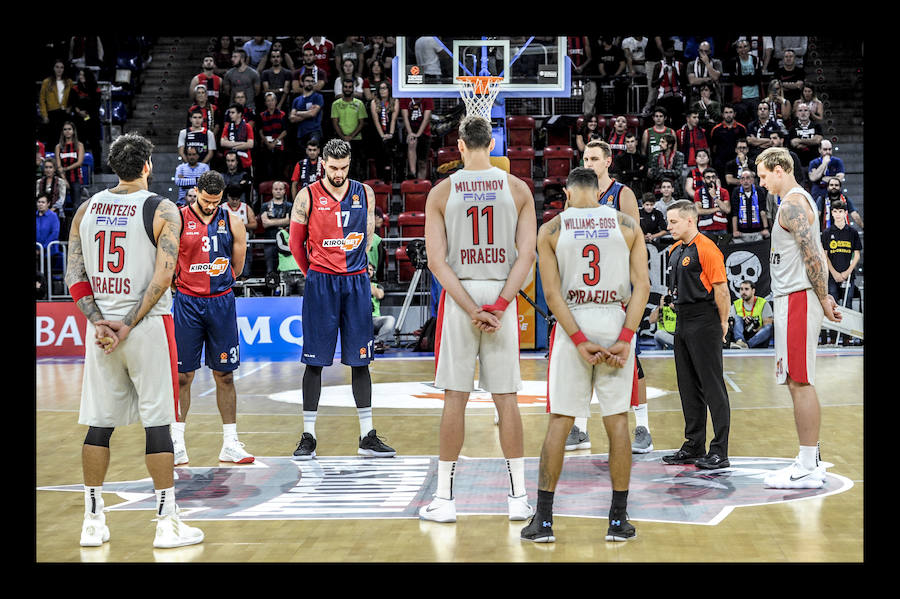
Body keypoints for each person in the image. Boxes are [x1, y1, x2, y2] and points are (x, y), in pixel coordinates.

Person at [67, 132, 204, 548]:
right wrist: (128, 323)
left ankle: (92, 521)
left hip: (101, 332)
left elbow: (74, 275)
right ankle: (167, 523)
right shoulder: (162, 209)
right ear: (148, 165)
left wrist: (100, 321)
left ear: (114, 167)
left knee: (98, 426)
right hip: (146, 328)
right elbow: (164, 277)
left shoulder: (86, 209)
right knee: (159, 424)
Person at [520, 166, 649, 543]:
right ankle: (617, 521)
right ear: (597, 191)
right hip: (614, 317)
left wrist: (577, 339)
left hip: (572, 321)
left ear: (568, 192)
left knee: (560, 422)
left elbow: (552, 294)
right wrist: (626, 337)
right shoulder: (626, 224)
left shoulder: (552, 229)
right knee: (618, 423)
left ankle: (543, 521)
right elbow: (642, 286)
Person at [418, 116, 537, 523]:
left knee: (455, 398)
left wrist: (470, 309)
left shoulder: (441, 191)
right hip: (501, 294)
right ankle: (519, 498)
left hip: (461, 295)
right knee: (506, 400)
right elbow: (527, 256)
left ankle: (445, 501)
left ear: (460, 146)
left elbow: (436, 261)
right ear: (493, 143)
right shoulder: (518, 189)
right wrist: (501, 306)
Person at [287, 138, 396, 461]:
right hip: (321, 282)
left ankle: (367, 435)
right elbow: (296, 244)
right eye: (333, 168)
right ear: (322, 163)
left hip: (356, 282)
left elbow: (369, 235)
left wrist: (364, 272)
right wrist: (314, 273)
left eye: (344, 168)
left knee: (361, 359)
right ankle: (308, 436)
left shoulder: (365, 193)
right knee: (315, 361)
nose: (338, 173)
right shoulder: (306, 196)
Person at [754, 146, 843, 488]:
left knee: (800, 381)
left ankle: (807, 466)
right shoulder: (798, 201)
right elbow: (817, 251)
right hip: (795, 298)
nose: (762, 183)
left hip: (797, 299)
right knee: (796, 380)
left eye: (763, 175)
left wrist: (822, 299)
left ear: (779, 169)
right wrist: (825, 296)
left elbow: (812, 258)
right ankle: (811, 459)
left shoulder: (792, 204)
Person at [170, 170, 253, 466]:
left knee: (226, 375)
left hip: (221, 303)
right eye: (206, 200)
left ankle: (230, 443)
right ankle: (177, 442)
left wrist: (224, 279)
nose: (210, 205)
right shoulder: (178, 218)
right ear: (196, 192)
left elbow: (238, 264)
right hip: (188, 303)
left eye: (215, 201)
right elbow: (165, 259)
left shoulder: (232, 220)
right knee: (182, 376)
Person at [578, 139, 652, 457]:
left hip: (618, 288)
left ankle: (643, 426)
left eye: (594, 158)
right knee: (584, 357)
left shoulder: (622, 194)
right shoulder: (579, 194)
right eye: (585, 158)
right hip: (586, 288)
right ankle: (579, 427)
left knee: (629, 358)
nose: (589, 163)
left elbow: (635, 238)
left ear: (608, 162)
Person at [661, 200, 732, 470]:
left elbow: (721, 290)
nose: (668, 226)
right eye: (668, 221)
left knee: (713, 387)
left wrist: (723, 322)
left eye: (673, 221)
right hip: (683, 320)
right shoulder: (676, 250)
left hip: (705, 320)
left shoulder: (707, 249)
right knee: (688, 386)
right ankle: (693, 444)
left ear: (690, 220)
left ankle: (720, 450)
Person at [821, 200, 862, 323]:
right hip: (831, 276)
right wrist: (834, 273)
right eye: (835, 211)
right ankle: (834, 338)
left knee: (847, 303)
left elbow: (857, 255)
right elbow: (825, 255)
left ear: (845, 213)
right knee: (833, 304)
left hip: (848, 275)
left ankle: (846, 338)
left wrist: (846, 273)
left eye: (840, 211)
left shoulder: (852, 232)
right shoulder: (827, 233)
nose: (838, 214)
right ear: (831, 213)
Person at [332, 78, 369, 181]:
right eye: (345, 87)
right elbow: (335, 122)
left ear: (353, 89)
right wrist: (343, 137)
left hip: (357, 138)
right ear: (342, 88)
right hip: (340, 139)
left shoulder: (359, 104)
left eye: (350, 87)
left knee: (358, 163)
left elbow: (361, 123)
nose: (347, 89)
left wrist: (351, 136)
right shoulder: (336, 104)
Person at [649, 40, 688, 128]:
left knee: (677, 122)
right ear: (665, 53)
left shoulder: (679, 65)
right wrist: (662, 76)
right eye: (669, 52)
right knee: (664, 122)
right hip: (663, 98)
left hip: (677, 98)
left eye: (672, 51)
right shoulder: (659, 65)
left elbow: (684, 83)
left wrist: (677, 75)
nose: (671, 54)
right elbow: (653, 84)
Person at [260, 181, 293, 276]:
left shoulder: (289, 206)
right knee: (270, 270)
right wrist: (282, 221)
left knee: (285, 269)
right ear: (272, 191)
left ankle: (282, 290)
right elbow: (265, 224)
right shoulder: (265, 206)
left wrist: (271, 221)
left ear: (284, 191)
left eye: (280, 189)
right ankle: (272, 291)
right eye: (276, 189)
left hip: (285, 242)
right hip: (270, 241)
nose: (278, 191)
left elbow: (289, 221)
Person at [369, 80, 399, 182]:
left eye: (384, 88)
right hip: (378, 133)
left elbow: (394, 119)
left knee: (389, 144)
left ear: (389, 90)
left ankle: (389, 173)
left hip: (391, 131)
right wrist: (382, 135)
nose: (382, 91)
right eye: (381, 88)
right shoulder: (374, 102)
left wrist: (390, 134)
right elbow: (376, 120)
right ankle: (384, 172)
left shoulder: (395, 101)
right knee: (382, 144)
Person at [729, 280, 773, 349]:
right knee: (737, 317)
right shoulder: (736, 304)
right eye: (741, 289)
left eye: (746, 289)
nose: (743, 292)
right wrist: (743, 320)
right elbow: (730, 325)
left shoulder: (763, 303)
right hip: (742, 334)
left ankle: (746, 345)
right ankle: (740, 341)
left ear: (753, 291)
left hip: (757, 335)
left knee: (769, 327)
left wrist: (757, 327)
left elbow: (768, 324)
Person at [70, 68, 102, 164]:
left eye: (83, 75)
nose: (81, 77)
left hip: (92, 120)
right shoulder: (75, 89)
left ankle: (97, 165)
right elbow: (73, 103)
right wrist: (79, 112)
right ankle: (79, 164)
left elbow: (96, 105)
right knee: (80, 143)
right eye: (80, 75)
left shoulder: (96, 89)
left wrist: (87, 113)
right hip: (79, 120)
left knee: (95, 144)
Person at [39, 60, 73, 148]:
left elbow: (73, 98)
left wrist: (70, 108)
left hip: (64, 113)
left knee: (64, 139)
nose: (59, 69)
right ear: (53, 68)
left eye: (61, 67)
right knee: (52, 139)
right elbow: (42, 100)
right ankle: (52, 160)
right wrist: (44, 115)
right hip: (52, 113)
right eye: (57, 67)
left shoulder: (69, 82)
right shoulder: (47, 82)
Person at [256, 91, 289, 183]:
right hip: (266, 145)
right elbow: (260, 131)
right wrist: (267, 143)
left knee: (279, 168)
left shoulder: (282, 114)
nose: (270, 102)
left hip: (279, 145)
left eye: (272, 100)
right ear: (265, 103)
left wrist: (275, 142)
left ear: (276, 101)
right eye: (268, 101)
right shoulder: (262, 115)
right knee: (267, 169)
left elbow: (285, 131)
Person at [693, 168, 731, 246]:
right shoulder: (698, 193)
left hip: (721, 228)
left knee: (723, 254)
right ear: (703, 179)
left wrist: (715, 197)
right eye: (708, 177)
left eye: (713, 177)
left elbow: (727, 210)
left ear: (716, 178)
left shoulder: (724, 192)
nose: (711, 179)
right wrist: (718, 208)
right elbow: (698, 211)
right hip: (705, 230)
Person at [55, 121, 85, 218]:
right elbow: (58, 166)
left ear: (73, 131)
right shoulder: (58, 147)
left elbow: (79, 162)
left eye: (69, 129)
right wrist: (64, 180)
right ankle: (62, 229)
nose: (67, 131)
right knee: (61, 205)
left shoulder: (79, 145)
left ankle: (74, 229)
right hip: (62, 178)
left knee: (76, 205)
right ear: (62, 132)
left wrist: (65, 168)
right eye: (65, 129)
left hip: (76, 177)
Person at [729, 39, 763, 126]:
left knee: (758, 120)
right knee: (742, 120)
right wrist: (750, 77)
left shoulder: (756, 60)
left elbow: (758, 78)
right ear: (737, 50)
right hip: (741, 98)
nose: (743, 49)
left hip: (755, 96)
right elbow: (736, 81)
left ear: (749, 48)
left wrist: (744, 79)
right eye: (740, 47)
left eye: (745, 47)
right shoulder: (734, 62)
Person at [709, 104, 747, 180]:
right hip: (721, 163)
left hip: (736, 162)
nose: (728, 115)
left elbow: (745, 146)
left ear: (734, 114)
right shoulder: (716, 129)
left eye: (730, 112)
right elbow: (713, 148)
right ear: (722, 114)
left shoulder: (741, 129)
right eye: (726, 112)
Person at [731, 170, 770, 243]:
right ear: (740, 181)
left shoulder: (759, 191)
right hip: (741, 233)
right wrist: (735, 230)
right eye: (743, 178)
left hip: (758, 232)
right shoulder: (736, 191)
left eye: (748, 178)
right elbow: (735, 213)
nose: (745, 181)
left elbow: (762, 211)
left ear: (752, 180)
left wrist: (765, 228)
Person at [400, 96, 434, 180]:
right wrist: (410, 133)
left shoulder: (427, 98)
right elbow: (405, 117)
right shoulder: (405, 98)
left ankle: (421, 184)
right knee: (411, 143)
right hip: (410, 130)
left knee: (422, 163)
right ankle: (413, 173)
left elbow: (426, 118)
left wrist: (418, 134)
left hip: (424, 132)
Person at [289, 72, 325, 151]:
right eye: (308, 81)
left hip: (314, 131)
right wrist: (307, 113)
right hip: (301, 133)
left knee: (313, 156)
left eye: (312, 81)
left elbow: (313, 113)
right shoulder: (296, 100)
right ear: (302, 82)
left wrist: (298, 113)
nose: (310, 83)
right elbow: (292, 118)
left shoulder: (318, 97)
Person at [220, 103, 255, 174]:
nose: (230, 115)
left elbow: (250, 144)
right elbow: (222, 143)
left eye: (233, 112)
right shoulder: (227, 126)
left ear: (239, 114)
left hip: (245, 162)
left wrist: (230, 145)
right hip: (230, 163)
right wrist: (242, 143)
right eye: (230, 112)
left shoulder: (247, 126)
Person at [368, 261, 394, 352]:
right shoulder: (355, 284)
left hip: (374, 319)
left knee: (390, 319)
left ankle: (377, 343)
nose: (369, 271)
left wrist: (367, 281)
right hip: (359, 319)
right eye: (367, 269)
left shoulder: (377, 286)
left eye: (371, 270)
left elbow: (379, 295)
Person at [648, 132, 684, 196]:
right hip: (658, 189)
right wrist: (669, 173)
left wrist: (661, 171)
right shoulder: (656, 157)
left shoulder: (679, 156)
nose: (659, 144)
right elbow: (653, 174)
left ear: (670, 144)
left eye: (662, 142)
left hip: (675, 190)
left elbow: (677, 173)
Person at [787, 102, 823, 167]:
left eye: (806, 110)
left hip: (815, 160)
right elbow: (794, 143)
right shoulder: (792, 128)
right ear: (797, 114)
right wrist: (811, 142)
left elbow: (817, 141)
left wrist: (800, 141)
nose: (803, 113)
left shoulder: (817, 126)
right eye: (800, 110)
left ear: (809, 113)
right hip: (798, 162)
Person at [276, 224, 305, 296]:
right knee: (284, 299)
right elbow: (281, 248)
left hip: (301, 272)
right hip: (286, 273)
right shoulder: (281, 233)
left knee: (305, 299)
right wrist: (297, 249)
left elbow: (306, 246)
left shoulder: (304, 232)